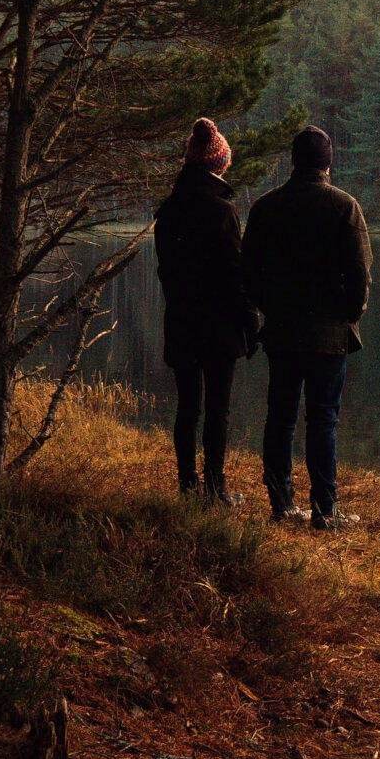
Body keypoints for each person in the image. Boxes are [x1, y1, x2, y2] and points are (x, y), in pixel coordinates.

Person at [241, 126, 372, 529]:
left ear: (293, 161)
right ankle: (324, 511)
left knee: (280, 417)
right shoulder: (344, 206)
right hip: (328, 336)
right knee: (323, 420)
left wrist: (273, 308)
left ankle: (281, 506)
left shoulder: (266, 207)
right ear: (328, 162)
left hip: (282, 331)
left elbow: (249, 275)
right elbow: (360, 273)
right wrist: (349, 315)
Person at [153, 117, 258, 505]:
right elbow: (237, 275)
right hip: (218, 325)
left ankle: (187, 486)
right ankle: (216, 489)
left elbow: (167, 272)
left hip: (181, 320)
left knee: (187, 407)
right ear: (219, 163)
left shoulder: (168, 212)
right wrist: (250, 322)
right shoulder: (222, 212)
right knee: (218, 409)